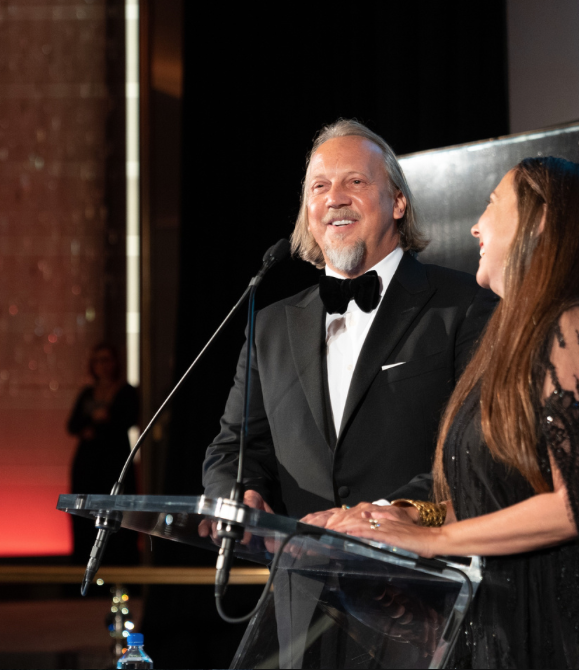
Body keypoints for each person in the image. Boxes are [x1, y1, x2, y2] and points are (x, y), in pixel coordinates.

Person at [323, 157, 579, 668]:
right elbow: (496, 497)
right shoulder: (508, 343)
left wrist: (431, 539)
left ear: (542, 218)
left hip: (574, 640)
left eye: (491, 205)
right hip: (508, 630)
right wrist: (386, 519)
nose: (475, 225)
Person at [199, 119, 496, 523]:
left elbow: (480, 447)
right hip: (299, 578)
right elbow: (234, 448)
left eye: (355, 182)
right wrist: (240, 495)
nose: (334, 199)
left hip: (415, 572)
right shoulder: (269, 327)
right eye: (319, 187)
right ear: (307, 212)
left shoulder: (464, 305)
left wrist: (389, 516)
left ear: (397, 202)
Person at [67, 343, 140, 565]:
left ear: (115, 362)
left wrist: (100, 424)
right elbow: (72, 425)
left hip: (114, 463)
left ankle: (118, 571)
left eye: (106, 360)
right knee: (84, 517)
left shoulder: (126, 391)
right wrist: (93, 421)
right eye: (98, 360)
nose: (102, 365)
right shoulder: (87, 393)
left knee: (116, 516)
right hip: (87, 465)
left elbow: (126, 420)